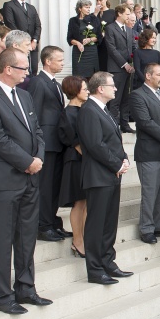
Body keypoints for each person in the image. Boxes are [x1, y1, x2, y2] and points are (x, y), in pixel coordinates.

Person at [0, 48, 51, 315]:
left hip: (30, 178)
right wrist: (27, 162)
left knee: (27, 236)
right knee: (3, 239)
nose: (27, 73)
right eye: (23, 68)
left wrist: (38, 158)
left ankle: (26, 288)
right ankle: (3, 295)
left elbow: (37, 131)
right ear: (8, 69)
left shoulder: (25, 96)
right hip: (4, 181)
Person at [77, 72, 134, 285]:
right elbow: (95, 144)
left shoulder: (104, 110)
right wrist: (116, 164)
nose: (116, 89)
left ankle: (108, 262)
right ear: (100, 88)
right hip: (98, 176)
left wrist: (124, 158)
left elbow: (113, 141)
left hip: (111, 175)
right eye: (112, 86)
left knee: (109, 224)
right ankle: (95, 269)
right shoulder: (88, 110)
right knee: (96, 225)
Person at [130, 63, 160, 244]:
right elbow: (145, 122)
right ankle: (147, 228)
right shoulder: (137, 95)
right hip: (150, 152)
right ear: (148, 76)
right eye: (159, 75)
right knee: (150, 193)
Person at [27, 46, 68, 243]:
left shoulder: (56, 84)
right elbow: (33, 114)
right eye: (59, 60)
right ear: (47, 61)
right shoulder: (38, 81)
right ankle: (42, 226)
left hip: (56, 142)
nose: (62, 63)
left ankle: (51, 222)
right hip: (45, 143)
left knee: (53, 187)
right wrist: (37, 144)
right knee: (45, 187)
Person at [57, 76, 90, 258]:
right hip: (76, 161)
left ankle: (84, 238)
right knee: (79, 203)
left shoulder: (83, 110)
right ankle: (77, 241)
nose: (87, 91)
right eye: (84, 89)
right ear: (75, 91)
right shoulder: (68, 113)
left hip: (85, 161)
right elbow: (76, 143)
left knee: (85, 203)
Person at [105, 3, 136, 133]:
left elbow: (133, 47)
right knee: (115, 99)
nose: (129, 16)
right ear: (119, 14)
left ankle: (124, 124)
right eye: (127, 14)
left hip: (129, 69)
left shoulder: (129, 29)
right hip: (117, 69)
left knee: (126, 98)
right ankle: (113, 126)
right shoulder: (110, 28)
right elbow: (112, 49)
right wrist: (125, 64)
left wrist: (134, 62)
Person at [1, 0, 42, 73]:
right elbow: (10, 24)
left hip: (32, 45)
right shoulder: (9, 5)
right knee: (20, 69)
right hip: (18, 45)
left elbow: (38, 25)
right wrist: (23, 41)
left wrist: (34, 40)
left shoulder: (31, 8)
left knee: (33, 70)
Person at [67, 0, 100, 79]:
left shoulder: (94, 19)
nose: (88, 9)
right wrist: (78, 43)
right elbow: (69, 38)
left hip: (91, 52)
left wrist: (90, 39)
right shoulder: (73, 21)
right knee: (78, 77)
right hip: (78, 51)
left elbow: (99, 36)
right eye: (86, 7)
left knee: (92, 77)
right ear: (80, 8)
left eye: (89, 7)